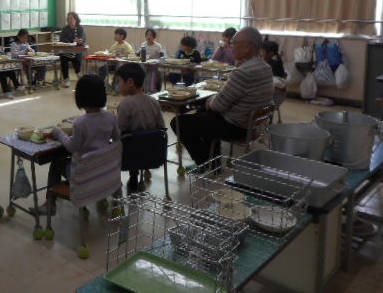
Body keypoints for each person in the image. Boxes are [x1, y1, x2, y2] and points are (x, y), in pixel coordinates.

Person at [170, 27, 273, 166]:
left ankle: (204, 162)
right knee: (202, 113)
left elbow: (218, 105)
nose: (232, 47)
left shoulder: (243, 72)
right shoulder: (265, 67)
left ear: (247, 47)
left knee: (178, 122)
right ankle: (214, 163)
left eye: (234, 43)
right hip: (251, 124)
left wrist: (209, 101)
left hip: (236, 126)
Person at [31, 74, 120, 215]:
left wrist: (58, 133)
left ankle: (50, 203)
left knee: (56, 164)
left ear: (80, 97)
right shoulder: (111, 117)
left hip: (84, 177)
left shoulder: (81, 123)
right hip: (103, 173)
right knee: (73, 161)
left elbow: (72, 147)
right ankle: (100, 198)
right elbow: (116, 139)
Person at [115, 63, 165, 192]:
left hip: (129, 157)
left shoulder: (125, 104)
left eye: (119, 81)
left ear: (130, 82)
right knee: (138, 142)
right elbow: (162, 127)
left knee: (125, 141)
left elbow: (119, 132)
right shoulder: (154, 102)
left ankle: (127, 178)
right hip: (153, 154)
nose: (117, 85)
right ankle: (137, 174)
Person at [59, 12, 86, 88]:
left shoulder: (80, 28)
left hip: (77, 50)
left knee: (76, 58)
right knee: (63, 58)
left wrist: (79, 41)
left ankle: (79, 74)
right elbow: (62, 40)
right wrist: (72, 41)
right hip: (66, 50)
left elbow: (82, 39)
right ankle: (66, 79)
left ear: (76, 19)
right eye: (68, 18)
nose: (69, 20)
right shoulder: (65, 29)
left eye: (71, 18)